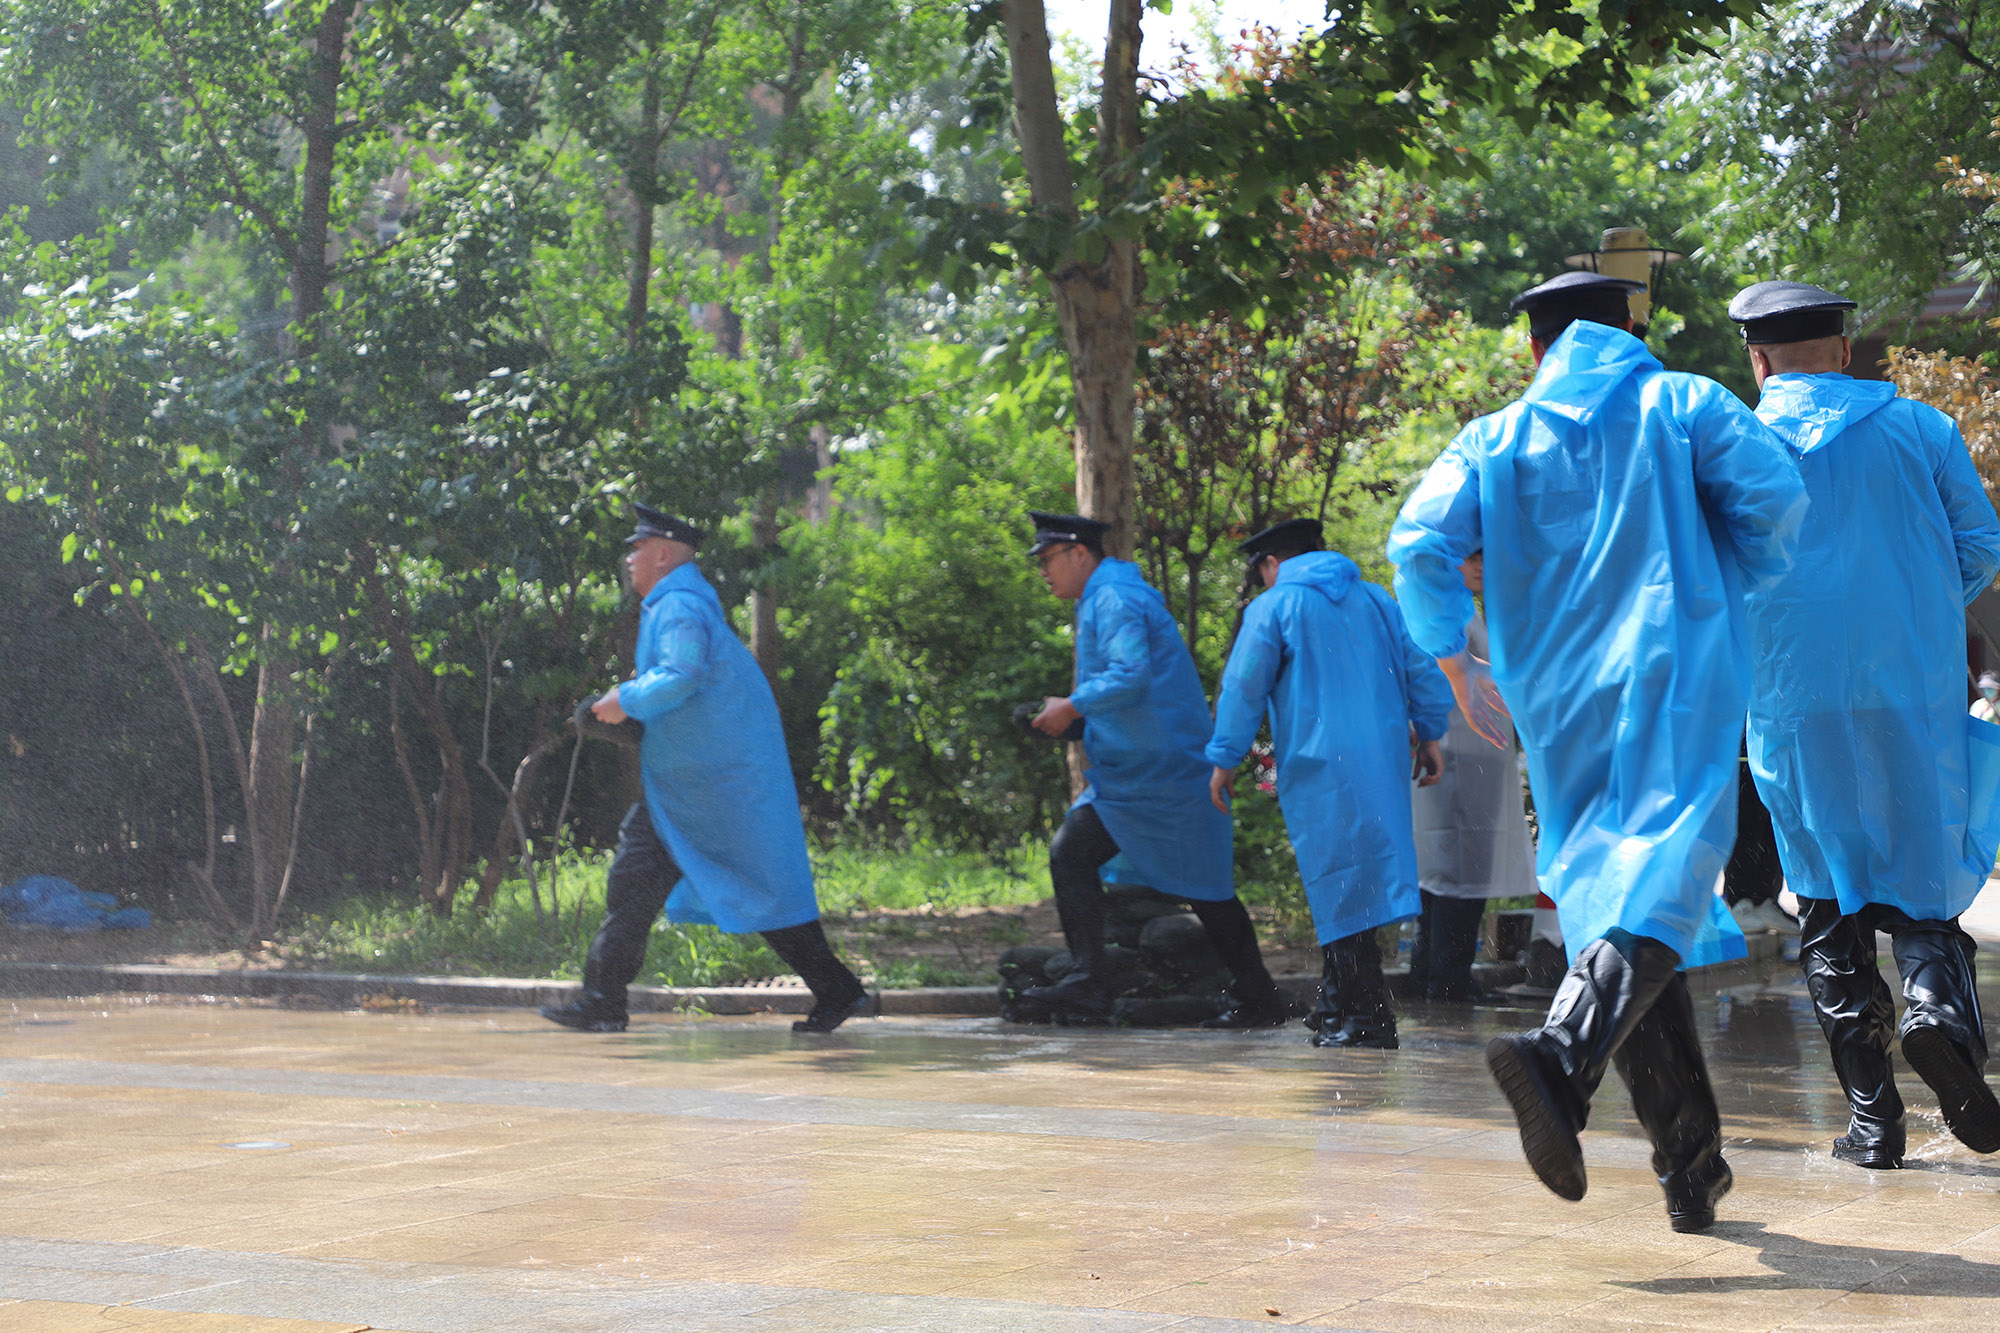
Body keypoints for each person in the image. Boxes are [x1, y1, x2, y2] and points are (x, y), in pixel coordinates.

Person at [1389, 270, 1808, 1233]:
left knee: (1610, 906)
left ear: (1534, 348)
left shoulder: (1493, 439)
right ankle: (1561, 1055)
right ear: (1631, 327)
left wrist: (1455, 661)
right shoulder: (1686, 403)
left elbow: (1417, 546)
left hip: (1554, 700)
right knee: (1663, 880)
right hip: (1674, 675)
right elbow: (1776, 507)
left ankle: (1690, 1163)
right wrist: (1732, 566)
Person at [1730, 279, 2000, 1167]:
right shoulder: (1923, 428)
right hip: (1910, 689)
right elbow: (1981, 545)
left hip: (1792, 698)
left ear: (1757, 360)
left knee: (1824, 900)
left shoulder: (1738, 444)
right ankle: (1936, 1013)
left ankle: (1875, 1122)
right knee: (1925, 878)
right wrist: (1916, 605)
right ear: (1845, 351)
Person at [541, 505, 871, 1035]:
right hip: (689, 788)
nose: (629, 559)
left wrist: (624, 699)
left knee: (750, 891)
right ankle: (601, 1002)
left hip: (710, 791)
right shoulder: (676, 603)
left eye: (637, 549)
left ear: (663, 555)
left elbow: (681, 675)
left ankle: (837, 989)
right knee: (640, 885)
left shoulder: (679, 604)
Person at [1021, 511, 1291, 1028]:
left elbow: (1131, 675)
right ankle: (1092, 981)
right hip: (1138, 776)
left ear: (1079, 554)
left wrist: (1071, 706)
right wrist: (1069, 720)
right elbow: (1133, 698)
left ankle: (1255, 997)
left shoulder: (1113, 597)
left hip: (1166, 776)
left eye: (1048, 558)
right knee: (1078, 855)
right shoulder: (1103, 596)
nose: (1043, 571)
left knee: (1207, 891)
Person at [1204, 518, 1452, 1049]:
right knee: (1361, 874)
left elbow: (1244, 687)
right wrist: (1431, 732)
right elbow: (1420, 666)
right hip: (1382, 757)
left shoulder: (1273, 607)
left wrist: (1224, 758)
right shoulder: (1377, 599)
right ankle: (1334, 1004)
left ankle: (1368, 1018)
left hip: (1319, 763)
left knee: (1340, 879)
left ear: (1273, 564)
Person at [1407, 550, 1539, 1002]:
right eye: (1470, 556)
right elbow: (1428, 678)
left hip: (1473, 757)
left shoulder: (1459, 607)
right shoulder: (1445, 610)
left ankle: (1431, 973)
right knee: (1459, 871)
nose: (1481, 564)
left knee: (1448, 868)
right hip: (1458, 755)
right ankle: (1448, 979)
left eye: (1485, 555)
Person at [1724, 733, 1796, 936]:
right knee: (1746, 814)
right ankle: (1740, 901)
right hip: (1740, 743)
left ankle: (1764, 899)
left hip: (1769, 739)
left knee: (1773, 816)